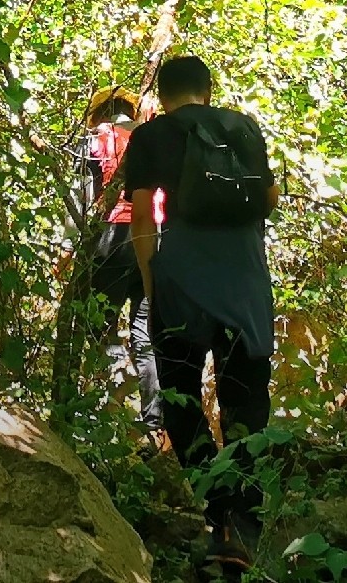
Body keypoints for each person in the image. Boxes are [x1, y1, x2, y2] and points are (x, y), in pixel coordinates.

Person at [120, 53, 277, 568]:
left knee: (181, 403)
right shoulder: (243, 128)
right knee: (246, 403)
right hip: (247, 284)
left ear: (161, 97)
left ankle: (219, 515)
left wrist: (151, 280)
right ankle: (248, 531)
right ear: (208, 91)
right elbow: (269, 197)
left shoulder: (152, 136)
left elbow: (142, 216)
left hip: (183, 283)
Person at [74, 84, 162, 437]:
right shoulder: (153, 138)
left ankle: (105, 414)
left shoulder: (96, 140)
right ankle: (154, 421)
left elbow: (82, 199)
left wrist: (70, 248)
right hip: (155, 236)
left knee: (101, 325)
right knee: (146, 333)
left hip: (111, 238)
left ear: (101, 113)